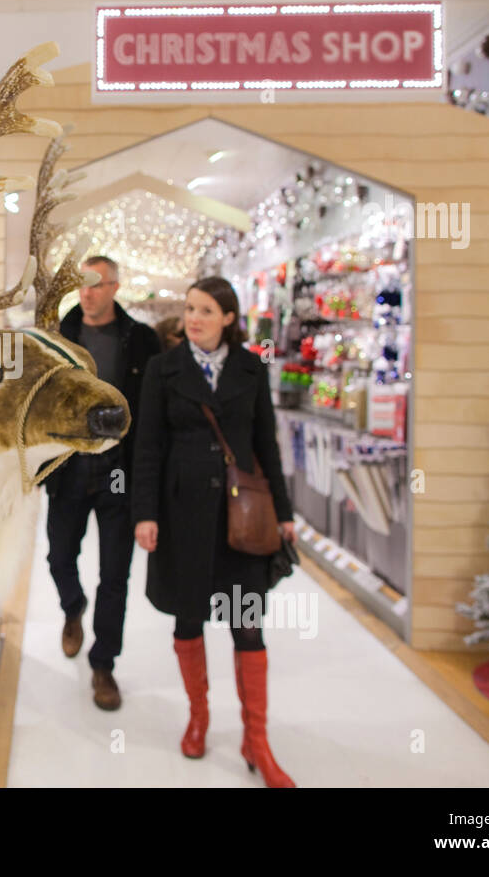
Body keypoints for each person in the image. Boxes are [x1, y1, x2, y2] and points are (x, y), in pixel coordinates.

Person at [131, 276, 297, 788]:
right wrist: (145, 513)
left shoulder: (251, 368)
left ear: (229, 317)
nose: (193, 318)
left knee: (248, 624)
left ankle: (257, 740)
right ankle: (198, 717)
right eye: (189, 308)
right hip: (181, 518)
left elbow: (265, 444)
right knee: (188, 620)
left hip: (240, 522)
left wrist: (285, 512)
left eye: (205, 310)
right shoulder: (163, 369)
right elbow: (148, 447)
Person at [43, 255, 161, 711]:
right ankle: (73, 608)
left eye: (96, 285)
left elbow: (152, 416)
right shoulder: (59, 339)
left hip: (119, 471)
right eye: (82, 285)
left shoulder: (142, 341)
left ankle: (103, 665)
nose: (87, 293)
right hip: (71, 465)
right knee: (58, 556)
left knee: (115, 575)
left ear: (115, 287)